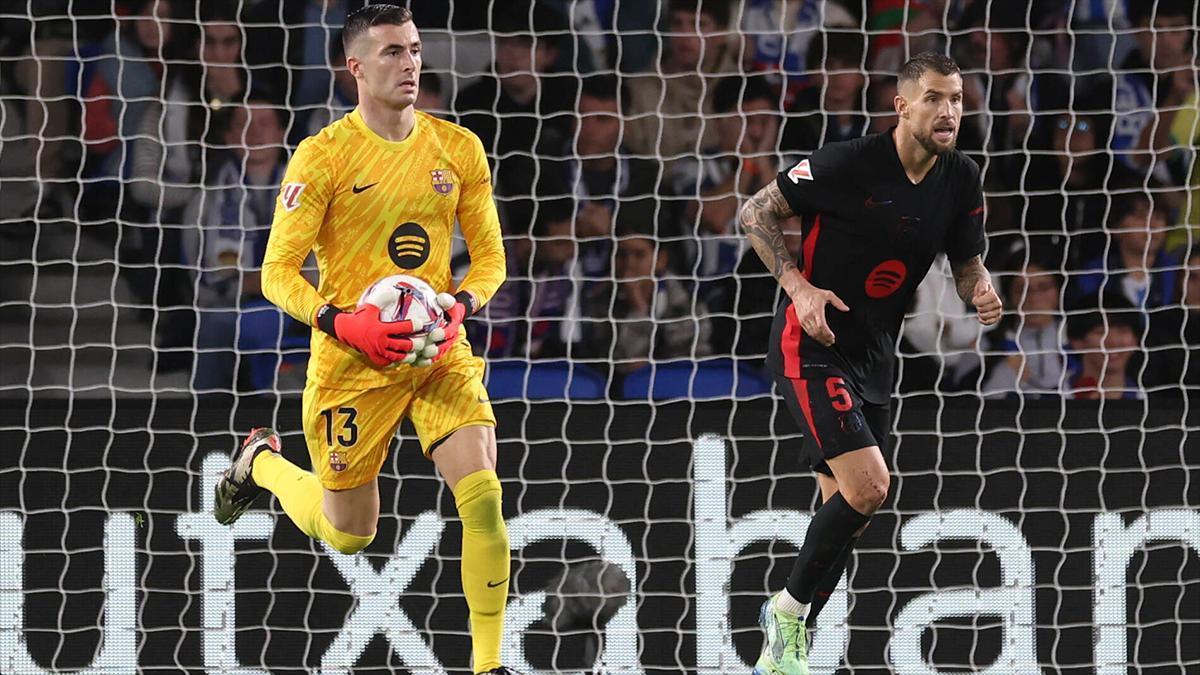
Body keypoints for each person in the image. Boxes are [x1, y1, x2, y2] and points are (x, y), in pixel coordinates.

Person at [210, 7, 514, 673]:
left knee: (484, 492)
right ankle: (259, 463)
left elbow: (490, 260)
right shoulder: (322, 157)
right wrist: (342, 321)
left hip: (433, 350)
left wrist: (461, 304)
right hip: (351, 359)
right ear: (355, 68)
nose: (410, 64)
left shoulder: (457, 148)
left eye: (414, 49)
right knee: (350, 534)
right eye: (391, 53)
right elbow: (275, 273)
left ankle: (489, 664)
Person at [738, 52, 1002, 672]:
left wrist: (980, 289)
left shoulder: (961, 178)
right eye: (935, 98)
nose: (949, 111)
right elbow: (756, 212)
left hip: (877, 356)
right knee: (871, 486)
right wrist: (800, 290)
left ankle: (782, 656)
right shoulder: (849, 163)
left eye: (958, 100)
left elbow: (966, 264)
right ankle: (785, 616)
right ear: (902, 105)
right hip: (814, 343)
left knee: (848, 515)